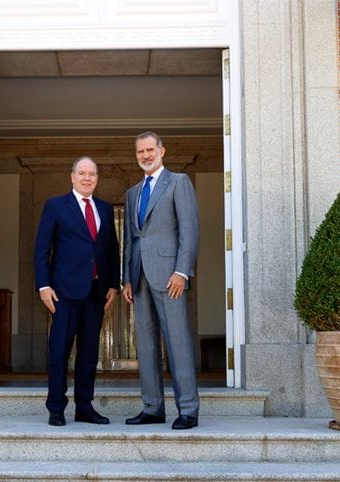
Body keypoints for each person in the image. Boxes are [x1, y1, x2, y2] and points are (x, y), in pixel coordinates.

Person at [34, 156, 120, 427]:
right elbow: (41, 249)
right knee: (59, 351)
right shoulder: (56, 206)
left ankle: (85, 406)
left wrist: (112, 285)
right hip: (63, 293)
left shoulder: (105, 209)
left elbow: (111, 250)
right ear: (72, 177)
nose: (87, 178)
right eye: (81, 173)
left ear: (97, 178)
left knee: (89, 353)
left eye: (92, 174)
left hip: (96, 293)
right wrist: (43, 285)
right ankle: (56, 408)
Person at [122, 131, 200, 430]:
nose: (145, 155)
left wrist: (182, 271)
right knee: (145, 345)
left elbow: (189, 230)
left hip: (170, 277)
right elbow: (130, 239)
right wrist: (127, 278)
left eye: (150, 149)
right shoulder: (132, 193)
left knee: (177, 342)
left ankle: (188, 410)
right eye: (140, 151)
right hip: (140, 277)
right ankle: (152, 407)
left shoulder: (178, 182)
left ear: (162, 151)